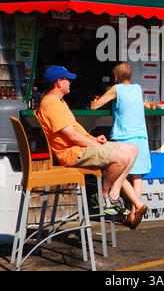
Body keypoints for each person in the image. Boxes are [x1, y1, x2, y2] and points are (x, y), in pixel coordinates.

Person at [35, 65, 146, 218]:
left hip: (80, 148)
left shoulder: (59, 102)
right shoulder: (50, 104)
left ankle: (113, 195)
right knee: (123, 158)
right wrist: (96, 145)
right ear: (59, 82)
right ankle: (103, 195)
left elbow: (75, 131)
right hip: (73, 153)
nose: (70, 83)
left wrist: (93, 139)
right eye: (67, 79)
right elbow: (72, 136)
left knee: (133, 149)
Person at [91, 62, 151, 229]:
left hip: (123, 137)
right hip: (141, 136)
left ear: (116, 77)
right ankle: (132, 215)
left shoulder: (116, 89)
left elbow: (95, 106)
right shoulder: (138, 88)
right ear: (130, 76)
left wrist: (94, 101)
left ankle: (138, 205)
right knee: (137, 177)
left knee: (118, 172)